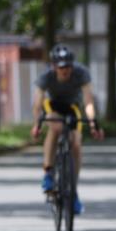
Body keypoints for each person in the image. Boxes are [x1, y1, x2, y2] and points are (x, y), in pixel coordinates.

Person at [30, 44, 104, 215]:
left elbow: (88, 101)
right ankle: (48, 173)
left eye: (68, 66)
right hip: (53, 105)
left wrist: (92, 123)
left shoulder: (81, 73)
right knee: (56, 127)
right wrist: (36, 124)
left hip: (72, 107)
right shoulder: (46, 76)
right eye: (62, 67)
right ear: (54, 66)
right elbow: (37, 104)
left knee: (76, 143)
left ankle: (73, 190)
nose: (65, 70)